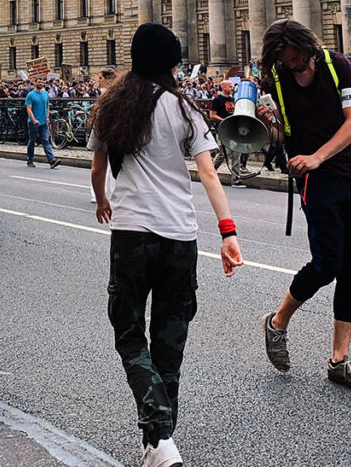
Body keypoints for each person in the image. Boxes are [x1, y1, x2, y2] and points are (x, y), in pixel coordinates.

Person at [89, 23, 243, 467]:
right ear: (173, 64)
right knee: (170, 340)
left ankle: (158, 437)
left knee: (129, 330)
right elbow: (209, 175)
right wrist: (228, 232)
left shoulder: (111, 108)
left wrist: (102, 199)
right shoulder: (186, 109)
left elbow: (98, 169)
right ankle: (160, 443)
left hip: (132, 231)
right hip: (180, 236)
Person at [255, 19, 351, 392]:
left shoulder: (338, 66)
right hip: (316, 183)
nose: (296, 68)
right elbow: (270, 123)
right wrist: (260, 122)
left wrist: (318, 155)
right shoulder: (275, 78)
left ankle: (339, 361)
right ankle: (277, 322)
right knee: (326, 265)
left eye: (299, 60)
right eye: (287, 63)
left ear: (308, 48)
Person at [25, 78, 60, 169]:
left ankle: (52, 160)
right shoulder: (30, 95)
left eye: (42, 82)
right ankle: (30, 160)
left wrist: (47, 117)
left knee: (45, 140)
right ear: (35, 82)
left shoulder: (45, 94)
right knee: (32, 141)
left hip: (44, 122)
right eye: (38, 81)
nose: (40, 83)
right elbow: (28, 108)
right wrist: (33, 119)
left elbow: (47, 106)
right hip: (33, 122)